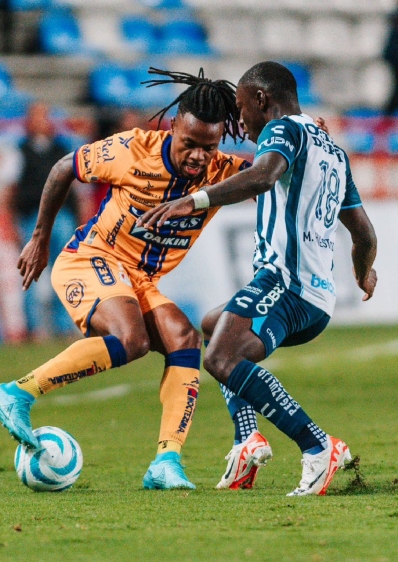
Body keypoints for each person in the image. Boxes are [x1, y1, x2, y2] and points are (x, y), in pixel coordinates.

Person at [0, 68, 249, 489]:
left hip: (138, 279)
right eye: (190, 144)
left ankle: (166, 463)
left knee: (185, 338)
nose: (199, 156)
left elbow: (270, 174)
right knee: (134, 340)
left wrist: (303, 140)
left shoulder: (220, 171)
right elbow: (62, 169)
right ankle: (16, 393)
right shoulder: (132, 150)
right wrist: (39, 236)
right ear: (174, 125)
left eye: (209, 147)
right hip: (91, 258)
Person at [137, 61, 379, 496]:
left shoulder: (282, 131)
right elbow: (364, 234)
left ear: (262, 100)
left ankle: (318, 446)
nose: (240, 121)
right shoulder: (333, 150)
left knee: (220, 361)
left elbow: (262, 176)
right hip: (316, 299)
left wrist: (192, 201)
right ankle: (247, 441)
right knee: (215, 326)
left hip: (285, 283)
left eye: (242, 107)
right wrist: (364, 274)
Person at [4, 103, 79, 338]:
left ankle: (64, 326)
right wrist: (11, 223)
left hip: (62, 216)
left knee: (63, 270)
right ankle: (34, 328)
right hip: (32, 218)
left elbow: (77, 187)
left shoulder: (62, 149)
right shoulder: (18, 151)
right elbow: (10, 190)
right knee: (31, 271)